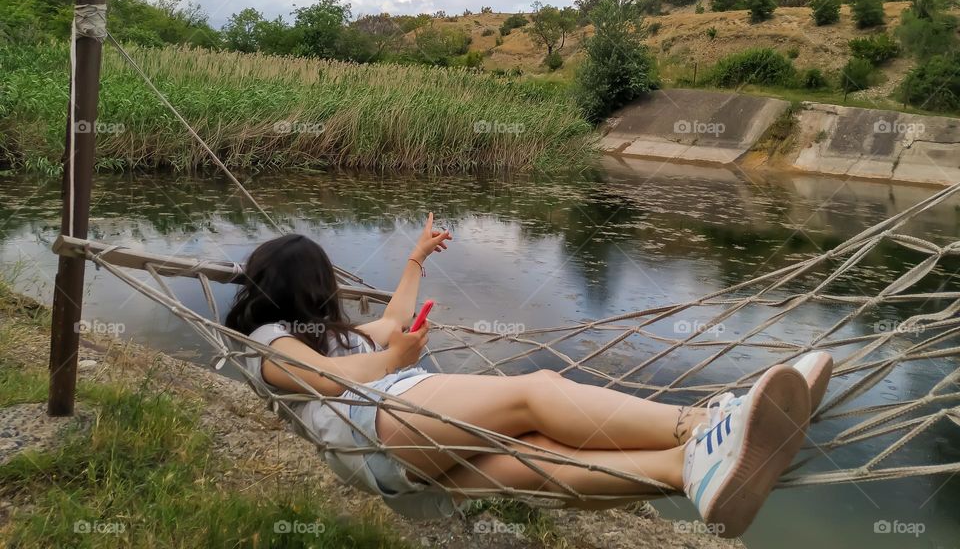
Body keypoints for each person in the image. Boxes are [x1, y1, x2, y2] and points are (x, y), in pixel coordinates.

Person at [225, 214, 833, 538]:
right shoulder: (266, 345)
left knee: (543, 461)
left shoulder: (335, 338)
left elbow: (392, 319)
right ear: (313, 291)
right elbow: (320, 378)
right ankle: (701, 424)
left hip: (388, 457)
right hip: (377, 423)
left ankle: (692, 473)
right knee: (535, 392)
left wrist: (415, 259)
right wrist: (393, 362)